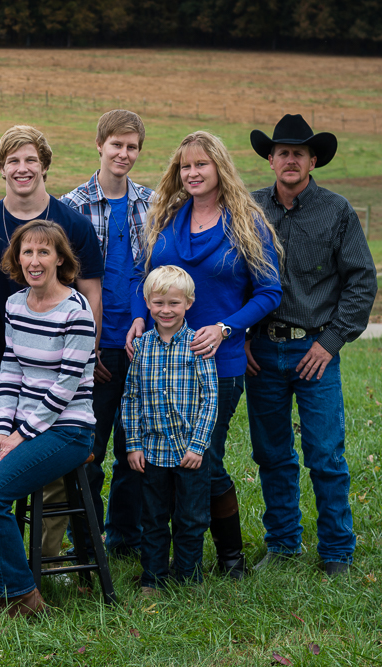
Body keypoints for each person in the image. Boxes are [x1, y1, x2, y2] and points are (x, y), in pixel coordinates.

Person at [126, 130, 282, 579]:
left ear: (219, 169)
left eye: (201, 165)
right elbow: (145, 276)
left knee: (204, 458)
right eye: (185, 167)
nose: (192, 173)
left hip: (220, 361)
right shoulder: (169, 219)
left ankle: (229, 557)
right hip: (161, 361)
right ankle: (169, 557)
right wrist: (139, 316)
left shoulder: (244, 223)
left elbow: (269, 291)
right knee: (168, 456)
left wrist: (227, 327)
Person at [246, 114, 377, 577]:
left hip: (314, 350)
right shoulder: (250, 208)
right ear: (270, 159)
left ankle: (337, 550)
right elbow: (233, 275)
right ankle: (282, 544)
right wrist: (241, 333)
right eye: (282, 152)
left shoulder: (336, 210)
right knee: (272, 454)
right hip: (261, 350)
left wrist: (332, 341)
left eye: (298, 153)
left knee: (325, 453)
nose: (290, 160)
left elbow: (361, 281)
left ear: (312, 159)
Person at [0, 220, 97, 619]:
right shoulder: (15, 304)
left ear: (59, 259)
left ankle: (22, 595)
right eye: (27, 252)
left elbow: (66, 387)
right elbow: (11, 370)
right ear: (17, 259)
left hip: (68, 429)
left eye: (43, 252)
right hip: (20, 429)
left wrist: (21, 434)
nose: (34, 260)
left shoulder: (76, 311)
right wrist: (1, 431)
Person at [0, 125, 104, 564]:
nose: (22, 168)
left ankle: (45, 563)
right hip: (4, 367)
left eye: (31, 160)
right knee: (0, 468)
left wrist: (86, 355)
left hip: (60, 370)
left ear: (45, 166)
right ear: (1, 169)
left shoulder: (70, 224)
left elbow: (91, 291)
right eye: (13, 160)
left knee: (49, 478)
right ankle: (5, 558)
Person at [60, 109, 154, 558]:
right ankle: (88, 540)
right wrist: (84, 345)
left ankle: (125, 539)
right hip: (92, 347)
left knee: (133, 449)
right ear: (99, 145)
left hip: (140, 344)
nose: (124, 153)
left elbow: (153, 273)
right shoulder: (72, 206)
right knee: (90, 451)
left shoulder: (152, 205)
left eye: (132, 146)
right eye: (116, 144)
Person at [123, 266, 218, 594]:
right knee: (153, 518)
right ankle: (153, 578)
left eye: (174, 303)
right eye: (159, 302)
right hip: (152, 452)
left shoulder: (197, 345)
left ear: (188, 303)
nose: (166, 310)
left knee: (191, 519)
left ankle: (189, 578)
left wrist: (199, 445)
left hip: (190, 452)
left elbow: (211, 398)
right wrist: (133, 444)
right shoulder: (142, 347)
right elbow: (131, 397)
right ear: (148, 303)